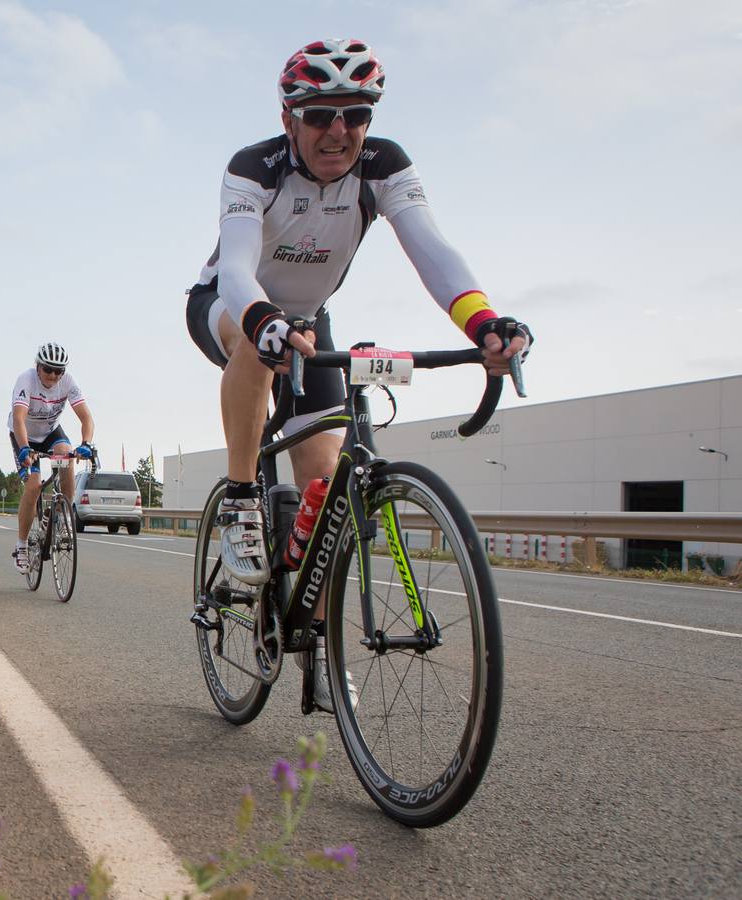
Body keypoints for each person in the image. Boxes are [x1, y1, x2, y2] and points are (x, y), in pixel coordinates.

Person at [184, 39, 531, 711]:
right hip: (229, 306)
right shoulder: (253, 167)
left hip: (310, 321)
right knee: (255, 350)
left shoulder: (383, 166)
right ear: (290, 118)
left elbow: (431, 249)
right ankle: (238, 502)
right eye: (319, 115)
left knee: (324, 489)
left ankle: (310, 634)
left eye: (354, 113)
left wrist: (482, 325)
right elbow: (233, 265)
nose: (337, 130)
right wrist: (260, 317)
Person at [7, 343, 96, 573]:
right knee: (34, 486)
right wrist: (25, 448)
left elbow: (86, 417)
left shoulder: (68, 382)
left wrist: (85, 444)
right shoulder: (26, 380)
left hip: (50, 433)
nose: (53, 376)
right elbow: (18, 419)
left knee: (66, 456)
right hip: (24, 436)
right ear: (38, 366)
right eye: (48, 369)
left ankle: (59, 516)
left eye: (59, 371)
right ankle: (22, 545)